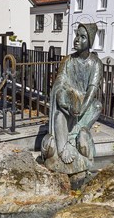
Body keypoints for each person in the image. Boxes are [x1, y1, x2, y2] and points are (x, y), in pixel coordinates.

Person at [42, 23, 103, 174]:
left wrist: (82, 108)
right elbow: (59, 82)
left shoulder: (95, 63)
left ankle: (76, 138)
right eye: (77, 35)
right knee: (58, 115)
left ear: (89, 41)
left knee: (97, 106)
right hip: (68, 102)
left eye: (82, 37)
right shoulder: (67, 60)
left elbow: (92, 88)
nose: (77, 40)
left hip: (83, 104)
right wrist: (63, 101)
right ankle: (63, 148)